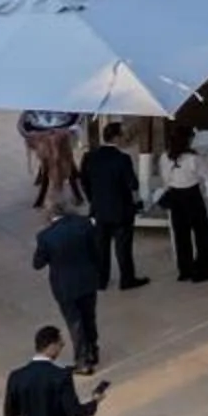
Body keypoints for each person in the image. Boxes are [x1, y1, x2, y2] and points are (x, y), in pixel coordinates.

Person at [30, 203, 105, 375]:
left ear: (50, 217)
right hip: (87, 279)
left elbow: (37, 264)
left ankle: (83, 361)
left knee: (75, 322)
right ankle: (93, 350)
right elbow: (96, 251)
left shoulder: (45, 236)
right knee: (89, 317)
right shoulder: (84, 224)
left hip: (64, 286)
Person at [79, 124, 148, 291]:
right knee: (123, 247)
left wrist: (93, 200)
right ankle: (127, 279)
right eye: (123, 135)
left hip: (99, 210)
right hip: (121, 210)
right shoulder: (122, 158)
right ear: (116, 137)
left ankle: (101, 280)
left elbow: (84, 182)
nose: (125, 138)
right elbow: (133, 184)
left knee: (101, 247)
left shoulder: (89, 157)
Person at [160, 126, 208, 284]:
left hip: (175, 196)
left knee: (181, 235)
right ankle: (203, 269)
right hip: (192, 196)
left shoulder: (164, 157)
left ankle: (184, 270)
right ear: (188, 140)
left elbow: (166, 179)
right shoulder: (193, 158)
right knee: (202, 234)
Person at [19, 111, 80, 212]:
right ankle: (56, 193)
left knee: (56, 152)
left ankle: (57, 192)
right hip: (46, 128)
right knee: (54, 151)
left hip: (59, 124)